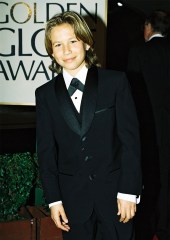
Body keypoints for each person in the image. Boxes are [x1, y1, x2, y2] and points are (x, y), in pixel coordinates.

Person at [35, 11, 142, 240]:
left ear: (86, 42)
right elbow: (45, 151)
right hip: (72, 200)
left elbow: (130, 142)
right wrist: (54, 200)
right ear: (51, 52)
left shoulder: (115, 83)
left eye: (73, 41)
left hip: (116, 196)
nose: (66, 51)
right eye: (58, 44)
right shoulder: (44, 95)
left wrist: (129, 191)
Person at [127, 10, 170, 240]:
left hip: (147, 128)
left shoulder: (139, 52)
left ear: (148, 26)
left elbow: (131, 93)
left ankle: (147, 227)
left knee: (149, 177)